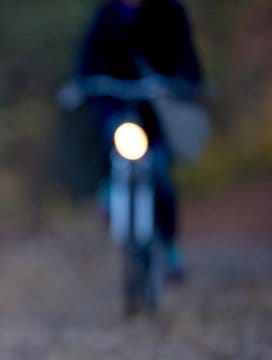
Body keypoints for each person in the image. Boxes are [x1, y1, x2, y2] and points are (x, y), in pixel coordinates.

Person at [65, 0, 204, 280]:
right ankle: (107, 189)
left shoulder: (169, 11)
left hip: (156, 106)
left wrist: (190, 82)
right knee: (109, 138)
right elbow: (88, 52)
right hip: (114, 99)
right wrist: (81, 83)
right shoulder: (108, 12)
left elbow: (186, 52)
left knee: (161, 174)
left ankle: (170, 247)